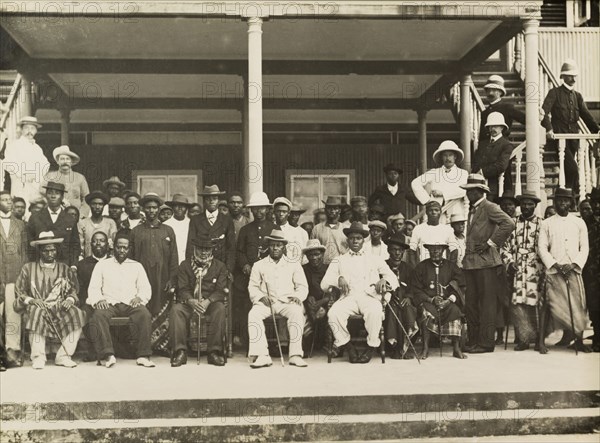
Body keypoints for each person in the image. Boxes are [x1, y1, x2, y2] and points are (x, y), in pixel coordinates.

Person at [322, 222, 399, 363]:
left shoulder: (374, 258)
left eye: (358, 238)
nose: (355, 241)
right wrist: (338, 278)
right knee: (333, 314)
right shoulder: (339, 260)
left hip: (369, 297)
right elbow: (324, 283)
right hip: (348, 298)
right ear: (347, 240)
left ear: (363, 240)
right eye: (352, 238)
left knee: (375, 312)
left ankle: (371, 347)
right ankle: (348, 346)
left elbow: (393, 278)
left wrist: (384, 282)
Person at [14, 231, 85, 369]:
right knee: (36, 312)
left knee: (77, 313)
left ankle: (63, 356)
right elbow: (20, 291)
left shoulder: (64, 269)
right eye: (46, 251)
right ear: (40, 251)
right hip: (38, 306)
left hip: (59, 307)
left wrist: (70, 299)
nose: (50, 253)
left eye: (53, 250)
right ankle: (38, 357)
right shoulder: (28, 268)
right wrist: (32, 300)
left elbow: (73, 290)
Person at [461, 174, 515, 353]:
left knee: (486, 304)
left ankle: (485, 343)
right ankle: (473, 340)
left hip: (486, 263)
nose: (468, 194)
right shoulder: (472, 209)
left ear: (480, 191)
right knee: (471, 304)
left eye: (471, 191)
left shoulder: (490, 207)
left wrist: (491, 243)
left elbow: (509, 223)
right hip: (471, 264)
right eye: (468, 191)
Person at [87, 233, 155, 368]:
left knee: (144, 314)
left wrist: (140, 297)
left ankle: (143, 355)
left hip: (130, 303)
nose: (122, 251)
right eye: (119, 247)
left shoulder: (137, 266)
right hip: (109, 303)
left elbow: (145, 288)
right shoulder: (102, 265)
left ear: (129, 249)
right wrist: (99, 299)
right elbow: (94, 287)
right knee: (98, 316)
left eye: (125, 248)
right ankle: (108, 355)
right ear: (113, 247)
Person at [538, 187, 590, 354]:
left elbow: (584, 248)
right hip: (554, 271)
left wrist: (574, 264)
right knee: (547, 305)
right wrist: (554, 265)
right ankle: (541, 342)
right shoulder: (546, 223)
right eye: (559, 200)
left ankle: (579, 341)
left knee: (578, 305)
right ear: (555, 201)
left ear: (571, 202)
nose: (562, 203)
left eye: (566, 200)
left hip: (573, 270)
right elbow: (542, 248)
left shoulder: (579, 222)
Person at [247, 229, 308, 368]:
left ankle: (295, 355)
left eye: (278, 245)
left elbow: (302, 286)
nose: (275, 248)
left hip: (287, 302)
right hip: (267, 302)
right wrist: (261, 297)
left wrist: (298, 297)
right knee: (253, 314)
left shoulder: (293, 264)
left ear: (283, 246)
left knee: (297, 313)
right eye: (272, 245)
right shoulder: (259, 265)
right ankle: (262, 355)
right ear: (268, 246)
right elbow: (252, 287)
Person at [129, 192, 179, 353]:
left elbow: (174, 257)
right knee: (144, 309)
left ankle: (162, 346)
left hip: (162, 278)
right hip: (142, 278)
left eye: (154, 208)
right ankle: (144, 345)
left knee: (162, 309)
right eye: (148, 208)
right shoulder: (136, 231)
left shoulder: (168, 230)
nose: (151, 211)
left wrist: (172, 278)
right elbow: (131, 258)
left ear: (159, 209)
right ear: (144, 209)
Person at [541, 60, 600, 190]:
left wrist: (597, 130)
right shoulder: (554, 93)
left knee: (568, 172)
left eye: (574, 76)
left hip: (573, 140)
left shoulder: (577, 96)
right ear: (562, 77)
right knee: (573, 170)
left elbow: (586, 116)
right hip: (559, 139)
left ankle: (564, 199)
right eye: (569, 75)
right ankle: (568, 198)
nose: (573, 78)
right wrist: (549, 129)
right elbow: (543, 113)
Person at [170, 237, 229, 367]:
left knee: (220, 309)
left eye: (207, 249)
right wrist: (191, 301)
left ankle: (214, 352)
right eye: (201, 249)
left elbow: (220, 290)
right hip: (190, 303)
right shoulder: (185, 265)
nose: (204, 252)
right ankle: (180, 351)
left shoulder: (219, 266)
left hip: (210, 303)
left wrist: (208, 301)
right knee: (176, 310)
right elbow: (182, 288)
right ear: (195, 249)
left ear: (211, 250)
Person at [500, 190, 544, 351]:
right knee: (518, 303)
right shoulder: (512, 223)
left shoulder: (541, 223)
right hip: (517, 267)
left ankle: (539, 338)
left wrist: (542, 264)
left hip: (536, 267)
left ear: (535, 205)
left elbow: (546, 247)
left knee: (535, 302)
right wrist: (510, 262)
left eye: (530, 204)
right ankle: (523, 338)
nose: (526, 206)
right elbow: (504, 247)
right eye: (524, 203)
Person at [412, 241, 467, 360]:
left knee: (455, 311)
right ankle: (425, 348)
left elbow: (460, 286)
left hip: (447, 302)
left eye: (438, 249)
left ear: (443, 250)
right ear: (428, 250)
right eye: (432, 249)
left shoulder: (452, 267)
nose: (435, 252)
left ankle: (456, 348)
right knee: (426, 313)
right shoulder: (421, 267)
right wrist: (430, 299)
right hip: (428, 302)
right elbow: (416, 289)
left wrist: (449, 300)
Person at [234, 191, 276, 347]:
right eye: (256, 209)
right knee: (247, 305)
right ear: (251, 210)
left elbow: (279, 251)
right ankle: (248, 340)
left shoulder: (274, 228)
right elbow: (239, 251)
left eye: (262, 208)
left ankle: (270, 341)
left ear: (267, 209)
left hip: (269, 275)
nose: (259, 212)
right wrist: (245, 264)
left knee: (269, 304)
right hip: (249, 275)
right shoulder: (246, 230)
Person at [0, 190, 28, 366]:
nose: (7, 202)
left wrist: (23, 277)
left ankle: (12, 354)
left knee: (13, 315)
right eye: (3, 200)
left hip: (14, 276)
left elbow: (24, 253)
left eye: (9, 199)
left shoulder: (21, 225)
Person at [411, 140, 469, 223]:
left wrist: (443, 193)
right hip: (437, 215)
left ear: (455, 156)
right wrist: (427, 201)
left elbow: (463, 190)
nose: (448, 158)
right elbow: (415, 183)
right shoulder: (434, 172)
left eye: (450, 155)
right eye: (445, 155)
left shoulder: (463, 173)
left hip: (456, 214)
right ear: (441, 157)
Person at [1, 117, 50, 212]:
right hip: (20, 184)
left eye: (32, 128)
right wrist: (23, 174)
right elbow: (7, 163)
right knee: (21, 208)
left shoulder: (37, 148)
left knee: (35, 210)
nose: (29, 131)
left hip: (35, 185)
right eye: (27, 128)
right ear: (22, 129)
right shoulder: (14, 145)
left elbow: (45, 165)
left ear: (36, 131)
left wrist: (36, 174)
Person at [27, 181, 81, 267]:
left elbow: (75, 245)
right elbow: (29, 243)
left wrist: (73, 265)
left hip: (63, 265)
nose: (53, 196)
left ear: (62, 197)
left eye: (57, 193)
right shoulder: (35, 217)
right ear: (46, 196)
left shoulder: (70, 219)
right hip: (41, 266)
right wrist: (33, 265)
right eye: (50, 193)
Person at [76, 230, 110, 361]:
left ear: (107, 244)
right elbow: (81, 288)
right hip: (90, 301)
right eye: (95, 241)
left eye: (102, 241)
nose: (98, 244)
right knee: (85, 312)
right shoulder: (83, 264)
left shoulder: (113, 262)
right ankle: (93, 350)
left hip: (111, 301)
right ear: (90, 244)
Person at [187, 185, 236, 273]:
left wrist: (228, 269)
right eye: (208, 199)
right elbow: (191, 246)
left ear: (219, 201)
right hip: (200, 267)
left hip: (221, 267)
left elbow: (231, 248)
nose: (211, 201)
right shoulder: (196, 220)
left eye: (214, 198)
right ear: (204, 201)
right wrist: (191, 268)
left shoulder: (227, 220)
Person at [384, 234, 416, 359]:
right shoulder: (383, 266)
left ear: (403, 252)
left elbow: (414, 288)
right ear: (388, 250)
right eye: (394, 249)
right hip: (388, 301)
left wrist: (408, 297)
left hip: (404, 300)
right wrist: (389, 296)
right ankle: (392, 347)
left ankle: (405, 347)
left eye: (400, 250)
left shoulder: (408, 269)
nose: (397, 253)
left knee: (408, 309)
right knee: (393, 309)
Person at [472, 112, 514, 201]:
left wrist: (482, 172)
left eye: (496, 126)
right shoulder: (483, 144)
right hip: (478, 184)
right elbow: (476, 161)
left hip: (493, 187)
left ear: (502, 127)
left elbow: (501, 165)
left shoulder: (506, 145)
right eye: (490, 126)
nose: (492, 129)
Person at [302, 239, 333, 352]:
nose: (314, 258)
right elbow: (300, 286)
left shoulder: (329, 268)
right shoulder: (303, 269)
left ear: (322, 254)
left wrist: (323, 301)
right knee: (306, 310)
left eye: (316, 254)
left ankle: (326, 342)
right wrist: (307, 296)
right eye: (310, 255)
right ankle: (309, 342)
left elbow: (334, 290)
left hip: (326, 300)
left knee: (326, 311)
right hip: (309, 301)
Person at [43, 145, 90, 217]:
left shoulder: (80, 177)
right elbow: (42, 191)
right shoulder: (50, 176)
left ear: (71, 162)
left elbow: (86, 198)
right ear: (58, 162)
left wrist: (82, 214)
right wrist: (60, 200)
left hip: (75, 215)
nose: (65, 161)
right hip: (56, 214)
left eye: (67, 159)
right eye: (62, 159)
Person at [478, 74, 525, 144]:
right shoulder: (485, 113)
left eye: (494, 90)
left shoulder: (507, 108)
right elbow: (482, 136)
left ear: (500, 92)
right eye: (488, 90)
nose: (490, 93)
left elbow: (525, 119)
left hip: (502, 146)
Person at [408, 201, 458, 265]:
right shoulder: (418, 229)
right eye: (431, 210)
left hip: (442, 268)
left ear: (440, 212)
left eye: (436, 210)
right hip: (424, 268)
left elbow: (454, 250)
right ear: (426, 212)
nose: (433, 212)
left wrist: (450, 268)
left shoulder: (447, 229)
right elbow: (412, 250)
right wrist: (416, 269)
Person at [582, 189, 600, 351]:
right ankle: (597, 337)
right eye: (594, 202)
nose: (597, 206)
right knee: (594, 306)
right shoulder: (586, 224)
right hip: (592, 272)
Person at [78, 191, 117, 258]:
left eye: (100, 204)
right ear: (90, 205)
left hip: (105, 261)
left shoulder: (110, 223)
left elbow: (113, 244)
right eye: (94, 204)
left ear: (104, 206)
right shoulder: (82, 223)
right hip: (88, 260)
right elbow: (80, 244)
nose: (97, 207)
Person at [310, 196, 349, 265]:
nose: (332, 210)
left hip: (341, 265)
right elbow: (312, 249)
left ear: (339, 210)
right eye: (329, 208)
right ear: (325, 210)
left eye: (335, 208)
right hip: (323, 266)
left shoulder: (346, 229)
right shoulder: (317, 228)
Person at [272, 197, 309, 264]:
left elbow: (298, 255)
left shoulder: (295, 232)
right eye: (278, 211)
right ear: (274, 212)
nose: (281, 214)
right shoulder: (269, 229)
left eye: (284, 212)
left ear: (288, 213)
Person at [163, 193, 193, 265]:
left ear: (186, 208)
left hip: (189, 263)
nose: (180, 208)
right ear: (172, 207)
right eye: (176, 205)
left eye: (183, 206)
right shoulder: (166, 225)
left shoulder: (191, 224)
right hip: (171, 263)